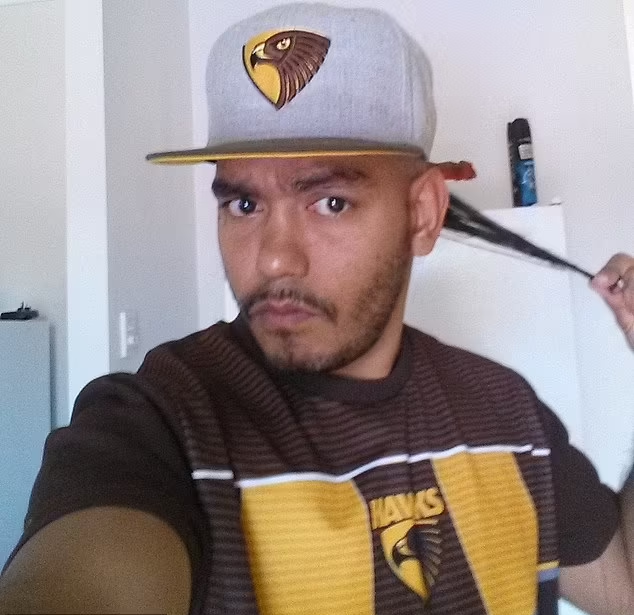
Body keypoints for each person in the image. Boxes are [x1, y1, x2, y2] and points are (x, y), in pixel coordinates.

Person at [1, 3, 633, 615]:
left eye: (330, 202)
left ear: (422, 213)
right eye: (243, 204)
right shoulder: (161, 425)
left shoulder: (508, 413)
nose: (275, 259)